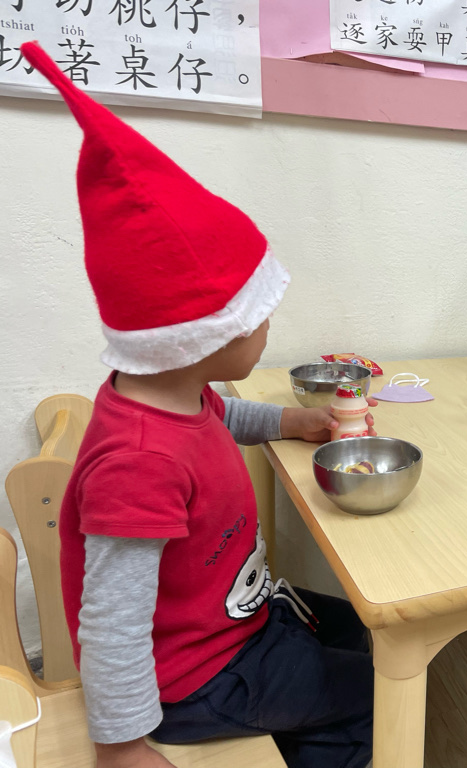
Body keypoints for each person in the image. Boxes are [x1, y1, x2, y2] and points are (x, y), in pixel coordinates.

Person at [19, 43, 373, 768]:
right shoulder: (138, 464)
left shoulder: (172, 395)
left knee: (355, 626)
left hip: (233, 621)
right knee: (372, 691)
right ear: (203, 336)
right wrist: (121, 748)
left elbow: (222, 419)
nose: (269, 327)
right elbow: (112, 621)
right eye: (259, 315)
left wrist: (288, 421)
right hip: (195, 679)